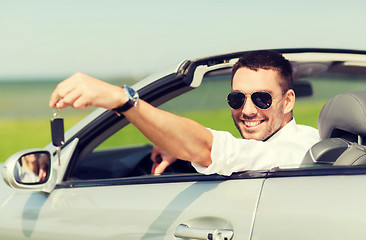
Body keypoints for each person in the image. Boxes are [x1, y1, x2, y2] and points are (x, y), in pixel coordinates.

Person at [49, 50, 320, 176]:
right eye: (237, 98)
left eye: (262, 99)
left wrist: (120, 98)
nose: (247, 110)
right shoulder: (306, 139)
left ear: (288, 101)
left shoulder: (295, 153)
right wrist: (179, 149)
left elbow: (209, 148)